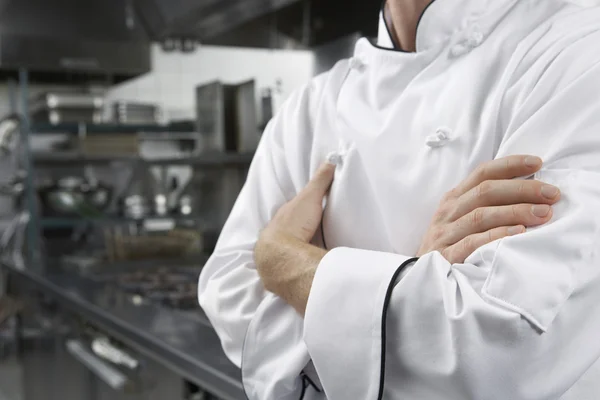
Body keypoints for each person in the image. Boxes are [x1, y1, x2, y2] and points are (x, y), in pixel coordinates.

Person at [199, 0, 600, 398]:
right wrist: (416, 290)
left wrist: (281, 261)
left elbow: (501, 352)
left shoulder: (577, 49)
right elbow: (229, 293)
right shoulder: (311, 105)